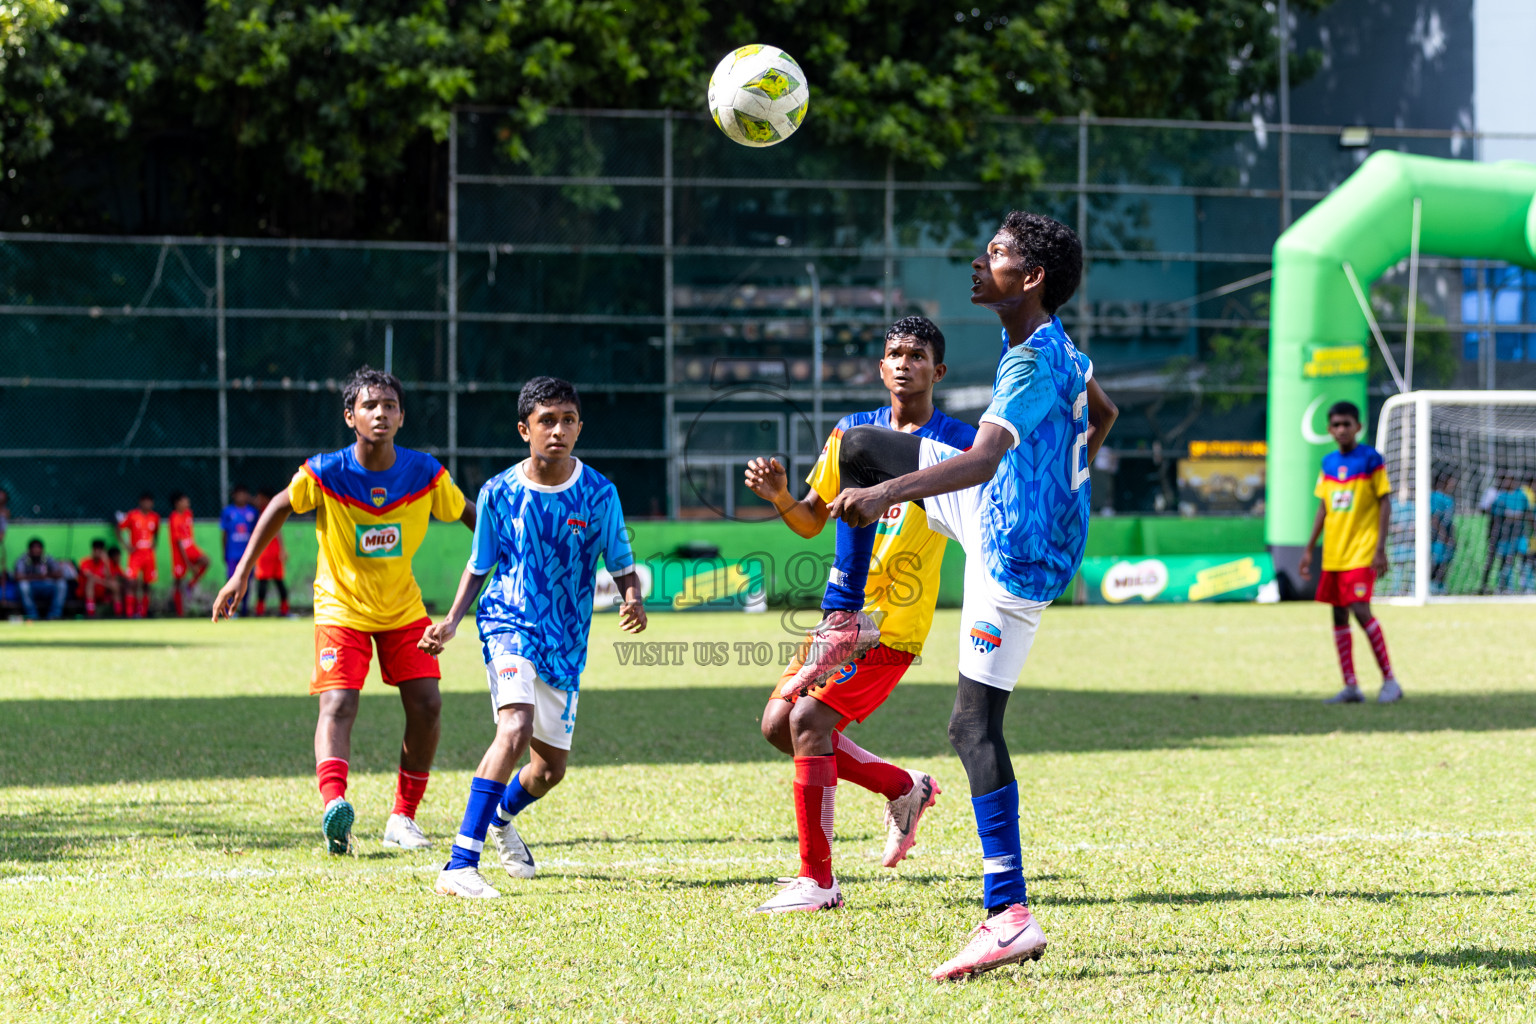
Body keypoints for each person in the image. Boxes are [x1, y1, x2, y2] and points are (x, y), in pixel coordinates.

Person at [784, 211, 1117, 980]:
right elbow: (1103, 414)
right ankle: (843, 616)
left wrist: (883, 498)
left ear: (1029, 279)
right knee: (858, 445)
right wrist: (1059, 485)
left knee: (972, 727)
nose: (978, 262)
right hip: (1013, 516)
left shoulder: (1031, 363)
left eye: (995, 255)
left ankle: (1009, 917)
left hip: (1014, 556)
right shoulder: (1054, 344)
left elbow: (980, 460)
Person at [740, 315, 975, 914]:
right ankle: (904, 788)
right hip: (840, 616)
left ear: (937, 371)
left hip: (894, 622)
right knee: (777, 726)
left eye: (917, 355)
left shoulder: (958, 447)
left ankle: (817, 882)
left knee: (811, 723)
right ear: (880, 367)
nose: (904, 363)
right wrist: (781, 499)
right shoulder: (850, 434)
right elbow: (812, 521)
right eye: (895, 353)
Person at [212, 367, 475, 855]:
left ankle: (403, 818)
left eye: (390, 406)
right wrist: (242, 573)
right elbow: (278, 505)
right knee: (338, 704)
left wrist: (507, 554)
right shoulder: (325, 472)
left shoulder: (426, 473)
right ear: (350, 416)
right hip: (341, 609)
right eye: (370, 406)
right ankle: (335, 809)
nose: (381, 413)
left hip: (403, 609)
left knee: (428, 704)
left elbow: (470, 515)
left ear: (401, 417)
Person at [419, 377, 647, 899]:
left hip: (565, 643)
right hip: (508, 626)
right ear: (525, 429)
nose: (558, 430)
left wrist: (632, 597)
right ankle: (459, 865)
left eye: (568, 420)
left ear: (580, 427)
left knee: (549, 771)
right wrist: (453, 620)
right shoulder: (498, 492)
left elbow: (623, 565)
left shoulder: (599, 493)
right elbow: (480, 566)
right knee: (515, 727)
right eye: (547, 420)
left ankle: (501, 815)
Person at [1298, 401, 1402, 704]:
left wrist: (1380, 549)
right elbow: (1323, 507)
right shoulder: (1328, 463)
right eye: (1336, 425)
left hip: (1362, 551)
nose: (1341, 429)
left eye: (1347, 424)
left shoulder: (1371, 459)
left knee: (1360, 609)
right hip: (1334, 553)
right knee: (1338, 614)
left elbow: (1384, 502)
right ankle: (1351, 686)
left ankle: (1390, 682)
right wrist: (1308, 549)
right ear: (1329, 430)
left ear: (1358, 427)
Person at [117, 492, 160, 618]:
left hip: (148, 555)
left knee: (147, 584)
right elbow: (119, 528)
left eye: (150, 501)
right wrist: (125, 545)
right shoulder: (132, 515)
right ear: (140, 502)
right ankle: (130, 613)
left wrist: (154, 544)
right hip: (135, 554)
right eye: (145, 501)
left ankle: (143, 612)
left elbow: (157, 532)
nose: (148, 504)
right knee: (131, 582)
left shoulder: (155, 517)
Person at [168, 492, 211, 617]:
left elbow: (188, 536)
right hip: (179, 553)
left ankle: (190, 585)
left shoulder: (188, 514)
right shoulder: (174, 518)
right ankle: (179, 612)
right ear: (177, 503)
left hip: (191, 548)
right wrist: (189, 564)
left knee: (206, 561)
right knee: (178, 581)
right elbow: (179, 543)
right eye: (184, 501)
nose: (187, 503)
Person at [251, 488, 291, 617]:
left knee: (273, 581)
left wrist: (283, 550)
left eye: (259, 497)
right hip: (268, 550)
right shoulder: (260, 511)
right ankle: (263, 610)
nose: (257, 500)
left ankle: (278, 610)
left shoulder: (268, 510)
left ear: (265, 498)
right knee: (271, 581)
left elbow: (278, 531)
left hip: (268, 551)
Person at [220, 485, 258, 617]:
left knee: (247, 581)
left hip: (247, 555)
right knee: (231, 581)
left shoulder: (252, 512)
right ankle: (230, 610)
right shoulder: (227, 512)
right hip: (232, 554)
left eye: (244, 494)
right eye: (238, 494)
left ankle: (245, 609)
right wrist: (224, 552)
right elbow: (224, 534)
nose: (241, 497)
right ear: (234, 496)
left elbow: (256, 533)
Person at [15, 537, 68, 620]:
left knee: (61, 584)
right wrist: (37, 576)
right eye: (34, 548)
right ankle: (32, 616)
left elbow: (59, 573)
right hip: (31, 586)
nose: (36, 550)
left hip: (47, 586)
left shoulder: (47, 558)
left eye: (38, 548)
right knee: (23, 585)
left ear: (42, 549)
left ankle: (54, 615)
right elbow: (18, 576)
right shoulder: (23, 559)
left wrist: (47, 575)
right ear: (29, 550)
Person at [78, 539, 124, 617]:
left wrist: (106, 563)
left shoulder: (106, 563)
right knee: (91, 582)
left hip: (102, 592)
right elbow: (90, 576)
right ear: (93, 550)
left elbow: (111, 578)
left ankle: (118, 613)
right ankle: (91, 613)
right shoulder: (85, 562)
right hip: (86, 592)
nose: (98, 552)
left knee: (115, 585)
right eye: (96, 549)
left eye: (101, 550)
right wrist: (105, 583)